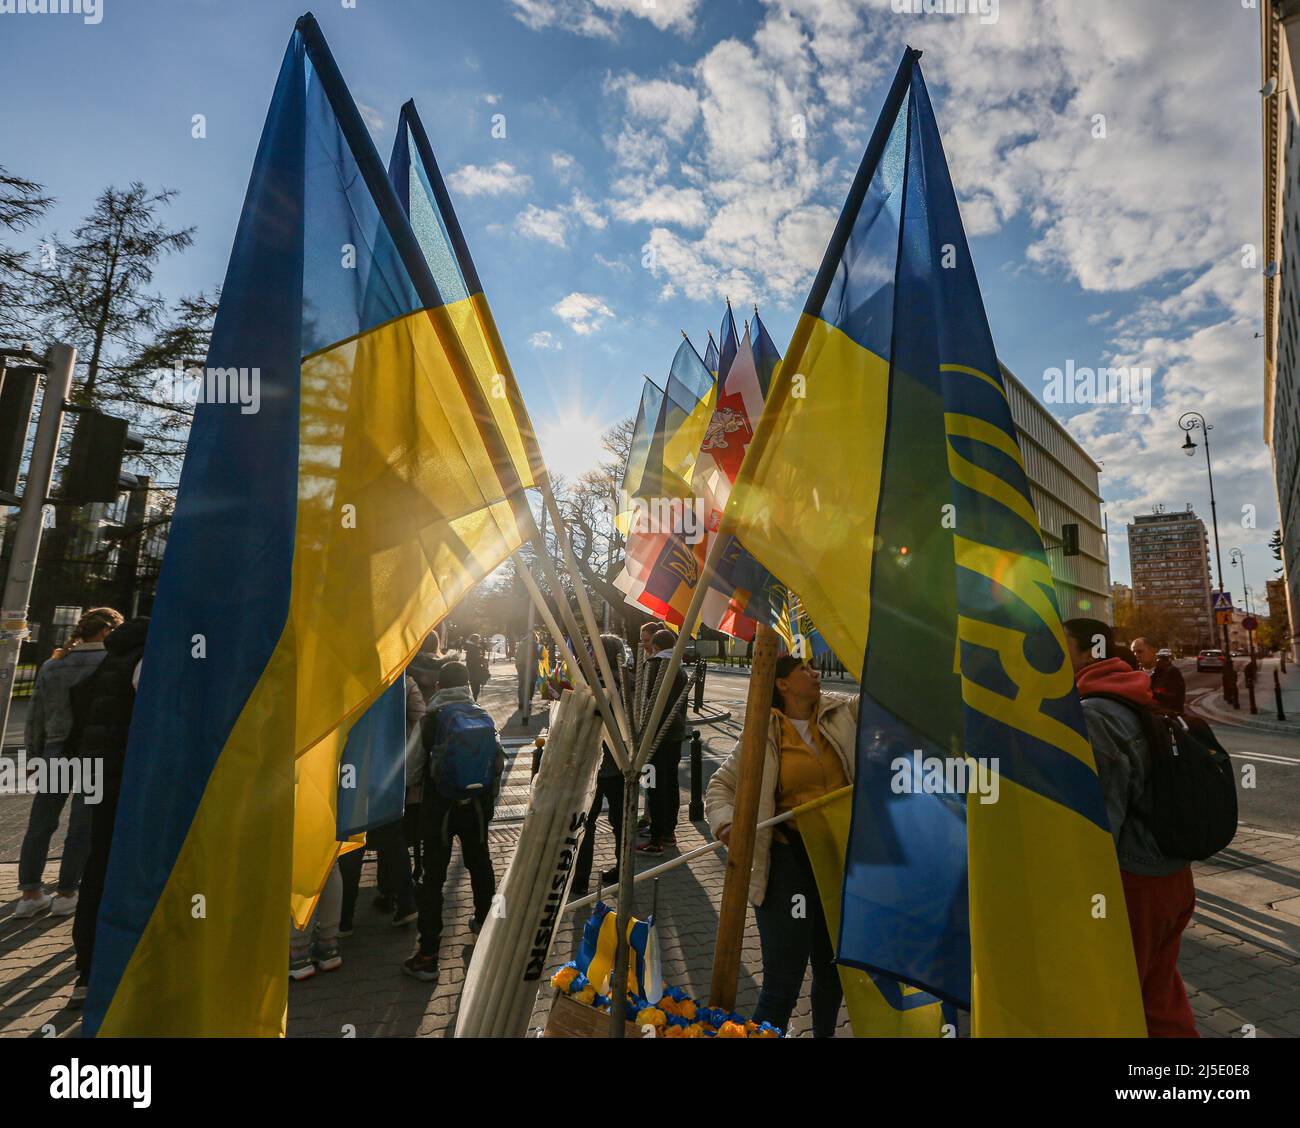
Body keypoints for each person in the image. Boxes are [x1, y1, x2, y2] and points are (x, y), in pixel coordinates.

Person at [705, 656, 856, 1038]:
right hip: (788, 864)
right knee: (781, 983)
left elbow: (886, 695)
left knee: (833, 970)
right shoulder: (763, 732)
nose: (815, 673)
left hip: (839, 863)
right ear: (783, 685)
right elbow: (720, 787)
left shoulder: (844, 713)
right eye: (804, 669)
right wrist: (726, 823)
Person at [1064, 618, 1198, 1038]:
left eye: (1061, 645)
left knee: (1112, 999)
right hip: (1173, 876)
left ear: (1092, 651)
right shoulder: (1138, 695)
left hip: (1133, 884)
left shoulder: (1094, 714)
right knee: (1159, 1001)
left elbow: (1100, 826)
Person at [14, 607, 123, 920]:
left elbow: (36, 717)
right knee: (81, 826)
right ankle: (66, 892)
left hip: (56, 750)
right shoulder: (111, 664)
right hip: (92, 753)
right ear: (106, 632)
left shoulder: (53, 665)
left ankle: (30, 893)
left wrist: (34, 755)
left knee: (41, 822)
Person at [403, 661, 505, 982]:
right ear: (467, 685)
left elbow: (410, 772)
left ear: (438, 687)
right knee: (480, 864)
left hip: (439, 810)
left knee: (433, 878)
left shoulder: (431, 720)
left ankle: (429, 954)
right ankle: (484, 930)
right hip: (475, 808)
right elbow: (498, 763)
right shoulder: (484, 716)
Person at [68, 616, 150, 1008]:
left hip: (101, 776)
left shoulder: (112, 659)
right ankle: (119, 968)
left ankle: (87, 968)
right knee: (127, 869)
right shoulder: (146, 659)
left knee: (97, 867)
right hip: (131, 782)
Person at [338, 671, 425, 934]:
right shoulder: (401, 679)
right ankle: (407, 904)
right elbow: (420, 720)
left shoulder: (346, 677)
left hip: (351, 771)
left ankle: (343, 920)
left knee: (351, 845)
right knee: (391, 839)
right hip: (389, 771)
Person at [571, 634, 630, 896]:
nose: (590, 655)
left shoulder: (591, 683)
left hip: (594, 763)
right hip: (622, 762)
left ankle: (580, 878)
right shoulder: (628, 682)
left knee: (586, 822)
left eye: (594, 651)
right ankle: (623, 873)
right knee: (621, 821)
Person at [637, 629, 688, 856]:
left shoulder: (656, 664)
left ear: (656, 647)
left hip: (655, 734)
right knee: (671, 783)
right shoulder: (679, 666)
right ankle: (669, 831)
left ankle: (655, 838)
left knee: (653, 784)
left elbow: (646, 695)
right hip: (675, 732)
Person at [1132, 636, 1186, 714]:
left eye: (1140, 651)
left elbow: (1177, 701)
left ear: (1153, 650)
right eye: (1133, 652)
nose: (1136, 655)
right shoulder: (1134, 674)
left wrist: (1151, 695)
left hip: (1166, 720)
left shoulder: (1170, 672)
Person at [465, 633, 490, 701]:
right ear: (475, 640)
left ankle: (474, 700)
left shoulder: (473, 647)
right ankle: (474, 700)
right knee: (475, 687)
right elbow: (474, 658)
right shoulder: (473, 647)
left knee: (474, 686)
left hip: (472, 669)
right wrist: (481, 659)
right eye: (478, 639)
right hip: (475, 669)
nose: (479, 640)